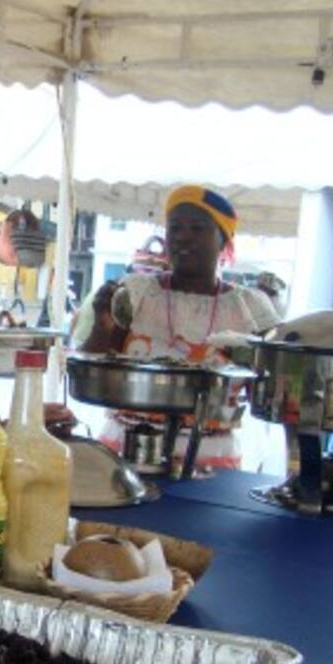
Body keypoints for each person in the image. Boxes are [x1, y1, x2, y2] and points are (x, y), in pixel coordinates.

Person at [72, 185, 280, 470]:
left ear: (223, 240)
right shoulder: (135, 292)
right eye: (175, 228)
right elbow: (91, 363)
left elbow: (269, 387)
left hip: (210, 460)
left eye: (197, 228)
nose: (183, 236)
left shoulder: (248, 308)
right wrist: (102, 324)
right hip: (126, 450)